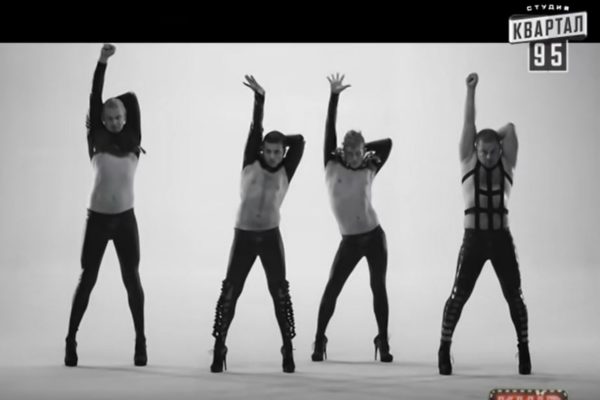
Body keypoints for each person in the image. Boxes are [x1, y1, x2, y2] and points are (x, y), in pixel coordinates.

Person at [210, 75, 305, 373]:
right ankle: (219, 347)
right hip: (244, 236)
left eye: (278, 151)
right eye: (269, 150)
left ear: (283, 153)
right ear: (261, 149)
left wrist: (281, 140)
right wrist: (260, 99)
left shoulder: (287, 169)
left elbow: (300, 141)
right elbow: (255, 129)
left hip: (270, 237)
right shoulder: (250, 161)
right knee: (230, 293)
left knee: (280, 294)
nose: (274, 156)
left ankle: (287, 347)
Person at [437, 72, 530, 375]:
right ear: (475, 150)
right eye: (483, 151)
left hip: (501, 238)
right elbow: (469, 123)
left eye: (492, 151)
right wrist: (470, 90)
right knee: (458, 295)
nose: (488, 156)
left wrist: (492, 136)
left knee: (515, 296)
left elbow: (511, 128)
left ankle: (524, 349)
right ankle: (444, 348)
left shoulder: (507, 163)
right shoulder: (468, 160)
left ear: (500, 149)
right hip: (474, 238)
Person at [64, 44, 147, 367]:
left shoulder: (134, 138)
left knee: (132, 280)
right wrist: (102, 62)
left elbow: (133, 99)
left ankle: (140, 341)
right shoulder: (95, 137)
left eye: (118, 117)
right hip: (97, 220)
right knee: (88, 278)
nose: (113, 121)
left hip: (125, 220)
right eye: (109, 117)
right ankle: (71, 340)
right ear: (101, 119)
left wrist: (120, 101)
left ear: (126, 118)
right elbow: (94, 95)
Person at [311, 73, 393, 363]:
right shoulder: (331, 164)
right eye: (351, 153)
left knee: (378, 288)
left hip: (374, 236)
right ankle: (319, 339)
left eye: (360, 152)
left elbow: (388, 143)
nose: (356, 157)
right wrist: (334, 96)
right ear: (342, 152)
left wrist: (365, 148)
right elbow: (329, 130)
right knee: (333, 287)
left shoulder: (370, 167)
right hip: (350, 240)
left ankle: (383, 340)